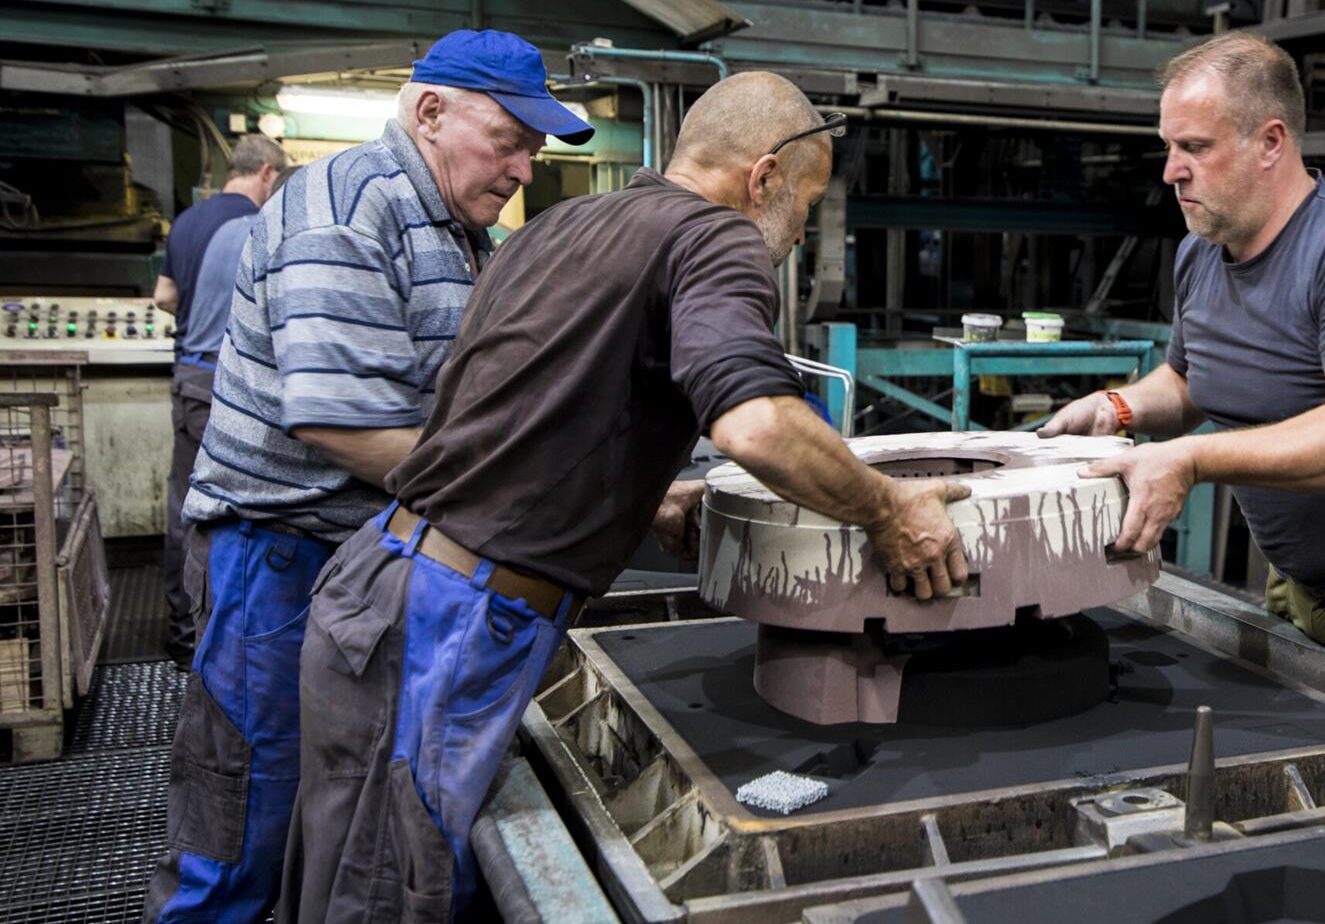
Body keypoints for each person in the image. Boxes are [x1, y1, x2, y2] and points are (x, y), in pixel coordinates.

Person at [281, 71, 970, 923]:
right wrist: (889, 510)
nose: (795, 237)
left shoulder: (561, 227)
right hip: (449, 626)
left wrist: (645, 499)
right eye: (805, 204)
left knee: (355, 882)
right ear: (763, 178)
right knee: (386, 900)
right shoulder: (715, 239)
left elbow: (504, 418)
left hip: (383, 588)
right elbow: (754, 425)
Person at [143, 30, 593, 924]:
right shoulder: (350, 209)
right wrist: (519, 497)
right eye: (508, 139)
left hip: (369, 557)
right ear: (430, 111)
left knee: (344, 822)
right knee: (242, 830)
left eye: (533, 151)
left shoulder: (463, 237)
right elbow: (342, 423)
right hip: (278, 559)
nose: (521, 169)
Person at [1040, 32, 1325, 697]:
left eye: (1195, 148)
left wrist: (1192, 460)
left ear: (1271, 143)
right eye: (1169, 147)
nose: (1171, 171)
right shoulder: (1202, 252)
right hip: (1297, 590)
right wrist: (1118, 406)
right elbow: (1188, 379)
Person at [154, 135, 290, 669]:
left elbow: (164, 296)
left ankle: (183, 634)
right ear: (266, 175)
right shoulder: (256, 227)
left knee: (183, 506)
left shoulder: (190, 220)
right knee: (230, 516)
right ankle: (218, 646)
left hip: (187, 372)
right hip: (220, 383)